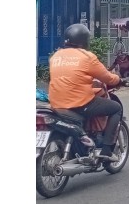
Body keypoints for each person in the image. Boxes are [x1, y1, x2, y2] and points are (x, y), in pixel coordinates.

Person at [48, 24, 123, 161]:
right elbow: (107, 78)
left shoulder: (55, 56)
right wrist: (119, 80)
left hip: (56, 104)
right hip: (79, 103)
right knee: (116, 108)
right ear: (84, 40)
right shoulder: (87, 57)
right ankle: (106, 151)